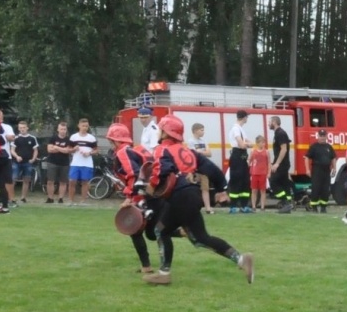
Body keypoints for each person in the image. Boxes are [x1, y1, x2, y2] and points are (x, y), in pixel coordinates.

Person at [140, 115, 253, 286]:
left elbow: (160, 171)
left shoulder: (162, 149)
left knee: (160, 231)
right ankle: (241, 259)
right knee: (200, 238)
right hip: (194, 195)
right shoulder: (188, 151)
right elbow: (212, 168)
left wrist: (150, 188)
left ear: (165, 133)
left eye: (161, 129)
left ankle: (164, 274)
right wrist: (222, 189)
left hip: (179, 197)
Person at [106, 122, 157, 274]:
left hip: (141, 194)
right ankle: (180, 231)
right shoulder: (134, 150)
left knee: (135, 229)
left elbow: (134, 176)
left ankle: (147, 266)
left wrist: (129, 197)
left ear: (116, 140)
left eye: (111, 141)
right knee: (150, 228)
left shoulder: (123, 153)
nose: (111, 144)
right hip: (151, 192)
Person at [68, 118, 97, 205]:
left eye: (86, 126)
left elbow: (96, 150)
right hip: (75, 163)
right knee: (72, 181)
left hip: (87, 164)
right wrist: (74, 149)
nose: (84, 128)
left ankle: (83, 201)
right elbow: (69, 149)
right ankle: (71, 201)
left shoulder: (91, 138)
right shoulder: (73, 137)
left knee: (85, 182)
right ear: (79, 126)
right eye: (83, 126)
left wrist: (89, 153)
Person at [305, 132, 336, 212]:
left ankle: (323, 207)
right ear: (317, 136)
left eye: (324, 136)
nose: (322, 137)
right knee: (316, 189)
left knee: (325, 189)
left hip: (326, 170)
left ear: (326, 137)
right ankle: (314, 207)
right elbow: (307, 158)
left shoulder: (329, 147)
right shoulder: (314, 147)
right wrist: (307, 169)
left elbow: (333, 158)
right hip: (317, 170)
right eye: (320, 136)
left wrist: (334, 168)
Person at [268, 116, 294, 213]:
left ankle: (285, 202)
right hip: (283, 164)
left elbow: (284, 149)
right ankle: (287, 205)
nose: (268, 124)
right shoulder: (278, 133)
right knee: (284, 184)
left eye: (269, 121)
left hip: (282, 164)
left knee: (273, 182)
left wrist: (277, 163)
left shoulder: (280, 133)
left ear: (274, 122)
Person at [44, 121, 72, 204]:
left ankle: (60, 198)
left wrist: (56, 147)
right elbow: (49, 150)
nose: (63, 131)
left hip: (64, 163)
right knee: (50, 181)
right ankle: (50, 198)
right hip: (52, 162)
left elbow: (67, 151)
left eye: (64, 129)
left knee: (63, 181)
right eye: (61, 129)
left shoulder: (68, 140)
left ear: (66, 130)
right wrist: (61, 149)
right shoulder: (53, 138)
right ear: (58, 129)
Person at [11, 120, 39, 204]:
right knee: (13, 179)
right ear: (18, 129)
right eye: (20, 128)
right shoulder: (16, 138)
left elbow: (35, 150)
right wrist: (17, 156)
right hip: (16, 162)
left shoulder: (32, 138)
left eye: (24, 128)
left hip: (28, 162)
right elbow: (12, 150)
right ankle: (11, 197)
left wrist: (33, 159)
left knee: (26, 180)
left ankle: (23, 198)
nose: (22, 129)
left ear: (27, 128)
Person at [187, 123, 213, 210]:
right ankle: (193, 207)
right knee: (193, 188)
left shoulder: (204, 141)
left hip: (204, 168)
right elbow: (192, 153)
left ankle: (208, 208)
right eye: (201, 130)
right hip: (195, 168)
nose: (203, 132)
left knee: (205, 188)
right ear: (195, 131)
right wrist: (202, 152)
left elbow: (209, 153)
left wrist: (200, 152)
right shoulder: (190, 141)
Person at [249, 135, 270, 210]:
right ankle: (253, 206)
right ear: (257, 143)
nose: (263, 144)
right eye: (262, 142)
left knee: (263, 190)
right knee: (254, 190)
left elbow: (269, 163)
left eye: (264, 142)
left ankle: (262, 206)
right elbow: (249, 160)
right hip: (254, 173)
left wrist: (269, 173)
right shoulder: (253, 151)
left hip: (263, 173)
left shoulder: (266, 152)